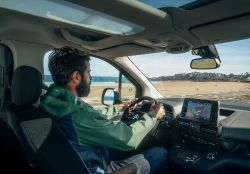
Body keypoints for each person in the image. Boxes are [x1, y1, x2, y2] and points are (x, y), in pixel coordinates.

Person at [40, 46, 167, 174]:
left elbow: (89, 118)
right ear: (76, 76)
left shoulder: (51, 102)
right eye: (88, 72)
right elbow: (129, 139)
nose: (90, 78)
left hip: (76, 164)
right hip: (96, 169)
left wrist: (118, 108)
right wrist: (153, 115)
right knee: (160, 153)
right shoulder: (78, 115)